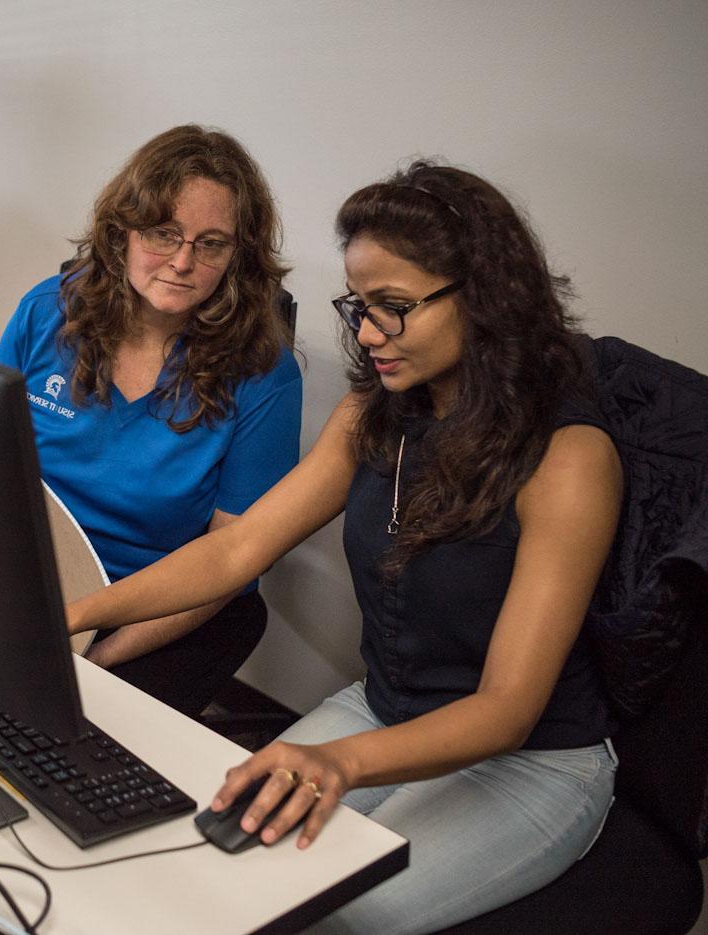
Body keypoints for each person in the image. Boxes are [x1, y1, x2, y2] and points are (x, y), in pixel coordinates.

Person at [68, 162, 622, 933]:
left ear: (487, 298)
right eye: (360, 306)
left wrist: (343, 762)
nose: (366, 333)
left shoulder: (567, 457)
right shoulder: (379, 411)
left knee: (332, 914)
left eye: (394, 308)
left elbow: (506, 711)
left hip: (532, 761)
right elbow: (237, 550)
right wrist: (74, 611)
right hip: (382, 709)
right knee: (209, 863)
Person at [0, 125, 302, 717]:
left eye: (211, 244)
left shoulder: (264, 373)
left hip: (159, 610)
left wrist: (97, 660)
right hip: (32, 579)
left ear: (237, 258)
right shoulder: (45, 313)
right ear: (122, 234)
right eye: (164, 234)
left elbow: (229, 559)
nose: (183, 262)